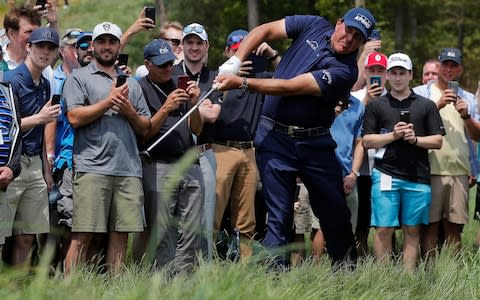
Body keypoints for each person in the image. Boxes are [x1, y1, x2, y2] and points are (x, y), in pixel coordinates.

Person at [215, 7, 377, 266]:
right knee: (278, 219)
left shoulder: (345, 72)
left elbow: (288, 87)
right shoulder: (314, 24)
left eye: (358, 37)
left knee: (334, 214)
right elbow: (265, 30)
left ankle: (347, 278)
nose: (349, 38)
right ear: (338, 24)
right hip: (274, 139)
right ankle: (276, 283)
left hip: (315, 144)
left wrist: (242, 82)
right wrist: (237, 60)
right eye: (348, 30)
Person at [63, 22, 151, 274]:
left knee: (121, 235)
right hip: (92, 167)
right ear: (93, 45)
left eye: (112, 41)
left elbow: (144, 127)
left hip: (128, 169)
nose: (106, 46)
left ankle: (116, 290)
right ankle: (70, 291)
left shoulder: (131, 84)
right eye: (101, 41)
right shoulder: (78, 78)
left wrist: (129, 111)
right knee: (82, 235)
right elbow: (75, 117)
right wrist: (109, 101)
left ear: (118, 45)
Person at [363, 53, 445, 271]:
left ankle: (407, 279)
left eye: (402, 73)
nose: (398, 78)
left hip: (418, 176)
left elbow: (438, 141)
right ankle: (384, 278)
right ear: (387, 76)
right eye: (393, 73)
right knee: (383, 229)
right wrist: (393, 135)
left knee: (412, 229)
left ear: (411, 75)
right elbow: (367, 141)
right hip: (385, 174)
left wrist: (415, 139)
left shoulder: (426, 105)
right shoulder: (376, 105)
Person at [135, 39, 205, 274]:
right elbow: (144, 133)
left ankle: (183, 279)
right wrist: (166, 107)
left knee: (192, 227)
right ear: (147, 64)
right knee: (162, 230)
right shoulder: (140, 88)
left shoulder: (180, 82)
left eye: (170, 64)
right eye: (162, 65)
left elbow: (197, 129)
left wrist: (195, 104)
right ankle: (161, 280)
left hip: (190, 162)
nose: (168, 69)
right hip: (159, 165)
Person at [209, 29, 279, 261]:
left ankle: (244, 266)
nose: (244, 57)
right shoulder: (216, 77)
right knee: (213, 213)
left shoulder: (259, 78)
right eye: (237, 52)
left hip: (249, 150)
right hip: (221, 148)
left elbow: (287, 75)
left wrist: (271, 53)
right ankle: (205, 262)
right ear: (228, 52)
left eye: (247, 52)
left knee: (247, 218)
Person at [413, 48, 480, 258]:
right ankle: (430, 271)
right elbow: (412, 126)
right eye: (445, 65)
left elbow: (477, 136)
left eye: (454, 65)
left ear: (460, 69)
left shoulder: (468, 98)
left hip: (459, 170)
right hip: (429, 169)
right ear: (438, 66)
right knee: (430, 226)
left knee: (454, 228)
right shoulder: (421, 93)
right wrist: (437, 105)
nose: (449, 70)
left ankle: (452, 274)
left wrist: (467, 116)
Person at [2, 27, 60, 266]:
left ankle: (18, 289)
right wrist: (40, 118)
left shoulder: (45, 83)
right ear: (28, 47)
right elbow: (5, 128)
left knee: (27, 236)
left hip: (35, 163)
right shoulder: (10, 80)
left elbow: (40, 130)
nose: (45, 52)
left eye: (50, 48)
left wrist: (47, 171)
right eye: (40, 47)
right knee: (2, 235)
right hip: (11, 165)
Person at [172, 22, 222, 260]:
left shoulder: (215, 77)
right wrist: (203, 104)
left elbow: (212, 115)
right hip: (174, 156)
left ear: (206, 46)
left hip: (203, 154)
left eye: (198, 43)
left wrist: (194, 101)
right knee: (173, 218)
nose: (194, 47)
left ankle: (204, 269)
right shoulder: (169, 73)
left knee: (205, 216)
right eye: (189, 42)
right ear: (181, 46)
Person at [350, 51, 388, 256]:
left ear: (387, 74)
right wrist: (366, 100)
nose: (376, 74)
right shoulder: (355, 97)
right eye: (372, 70)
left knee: (384, 224)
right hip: (361, 170)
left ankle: (383, 261)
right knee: (361, 224)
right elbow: (348, 125)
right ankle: (360, 261)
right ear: (364, 72)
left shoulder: (393, 98)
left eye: (380, 70)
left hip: (386, 169)